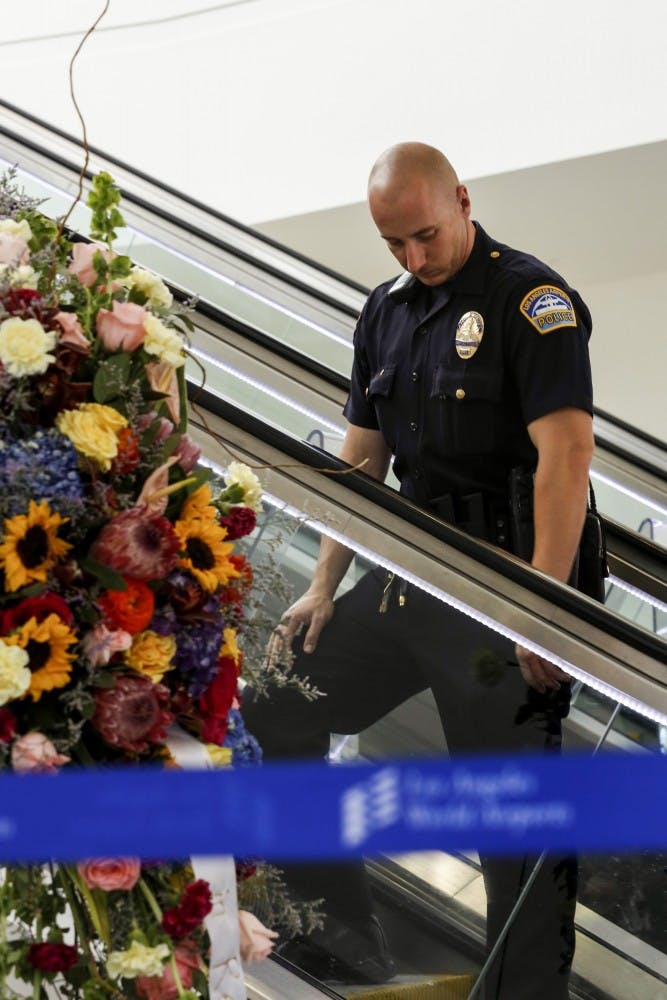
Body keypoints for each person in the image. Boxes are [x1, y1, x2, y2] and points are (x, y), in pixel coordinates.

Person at [243, 142, 594, 999]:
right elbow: (360, 463)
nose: (413, 258)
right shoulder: (385, 312)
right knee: (278, 702)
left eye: (426, 238)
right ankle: (336, 928)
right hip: (416, 575)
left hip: (510, 588)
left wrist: (539, 612)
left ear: (463, 202)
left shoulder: (531, 301)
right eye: (393, 244)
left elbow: (567, 456)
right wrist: (323, 586)